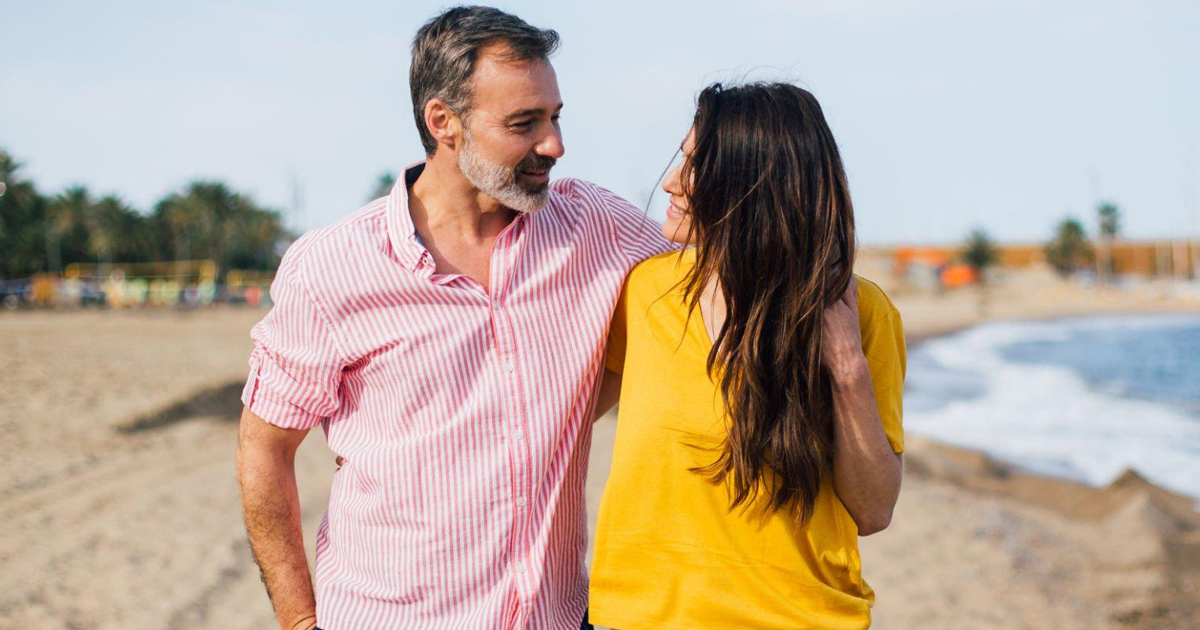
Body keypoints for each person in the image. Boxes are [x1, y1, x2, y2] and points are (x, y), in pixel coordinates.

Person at [235, 7, 670, 630]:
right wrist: (301, 621)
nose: (554, 145)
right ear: (444, 122)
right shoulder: (331, 267)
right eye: (524, 123)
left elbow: (712, 295)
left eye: (554, 117)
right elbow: (263, 449)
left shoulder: (598, 227)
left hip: (557, 617)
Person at [589, 82, 906, 630]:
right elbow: (555, 417)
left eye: (695, 167)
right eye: (680, 161)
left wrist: (848, 367)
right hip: (637, 618)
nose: (671, 182)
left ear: (754, 185)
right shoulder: (643, 293)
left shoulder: (861, 310)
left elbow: (874, 511)